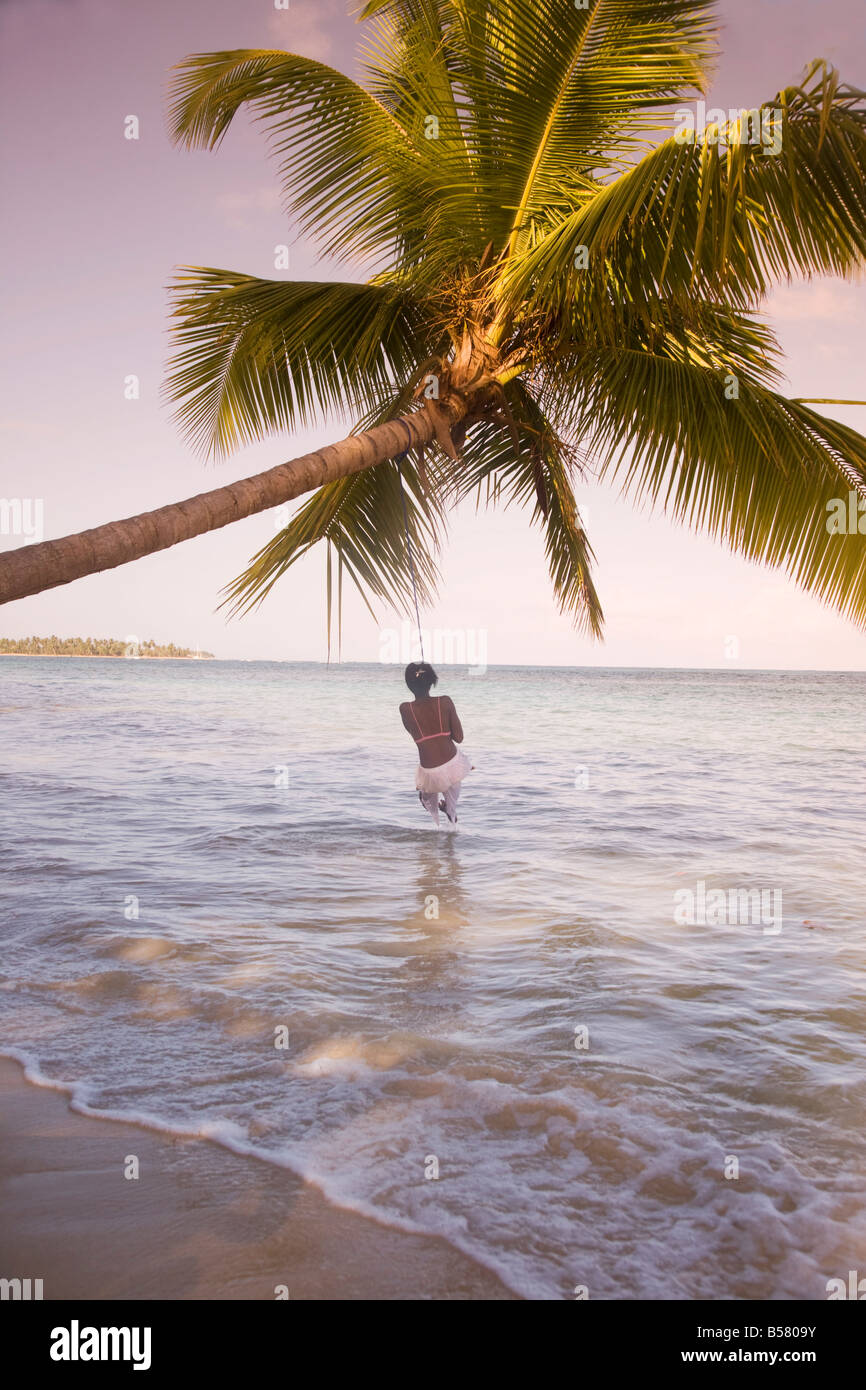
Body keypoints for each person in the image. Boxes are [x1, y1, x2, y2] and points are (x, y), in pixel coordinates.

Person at [399, 662, 471, 826]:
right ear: (432, 682)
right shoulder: (445, 702)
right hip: (454, 768)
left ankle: (430, 799)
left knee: (426, 791)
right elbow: (459, 738)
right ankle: (450, 810)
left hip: (429, 775)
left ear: (408, 684)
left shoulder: (405, 709)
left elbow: (414, 734)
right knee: (457, 765)